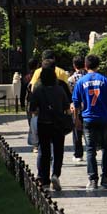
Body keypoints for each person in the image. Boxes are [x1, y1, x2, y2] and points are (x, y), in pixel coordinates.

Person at [73, 54, 107, 190]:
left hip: (88, 118)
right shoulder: (104, 80)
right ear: (98, 65)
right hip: (103, 118)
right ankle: (106, 178)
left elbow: (76, 103)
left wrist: (76, 119)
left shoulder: (81, 82)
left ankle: (92, 179)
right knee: (106, 147)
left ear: (85, 66)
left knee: (90, 149)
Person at [28, 61, 71, 192]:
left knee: (44, 151)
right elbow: (66, 107)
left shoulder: (38, 89)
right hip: (58, 124)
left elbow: (32, 108)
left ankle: (43, 179)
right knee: (58, 152)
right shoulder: (59, 89)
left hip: (43, 123)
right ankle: (55, 174)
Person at [67, 55, 87, 162]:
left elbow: (70, 94)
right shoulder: (88, 77)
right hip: (88, 107)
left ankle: (78, 154)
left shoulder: (71, 79)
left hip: (76, 108)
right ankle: (90, 149)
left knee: (77, 132)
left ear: (74, 66)